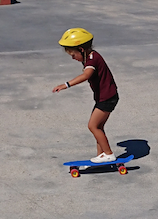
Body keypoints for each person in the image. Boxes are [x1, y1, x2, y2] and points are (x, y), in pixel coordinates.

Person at [51, 28, 119, 163]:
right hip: (105, 97)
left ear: (81, 49)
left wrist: (66, 85)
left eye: (73, 54)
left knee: (92, 126)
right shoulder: (90, 56)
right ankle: (101, 155)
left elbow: (86, 75)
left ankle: (109, 154)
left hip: (107, 98)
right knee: (98, 127)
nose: (72, 58)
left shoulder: (92, 59)